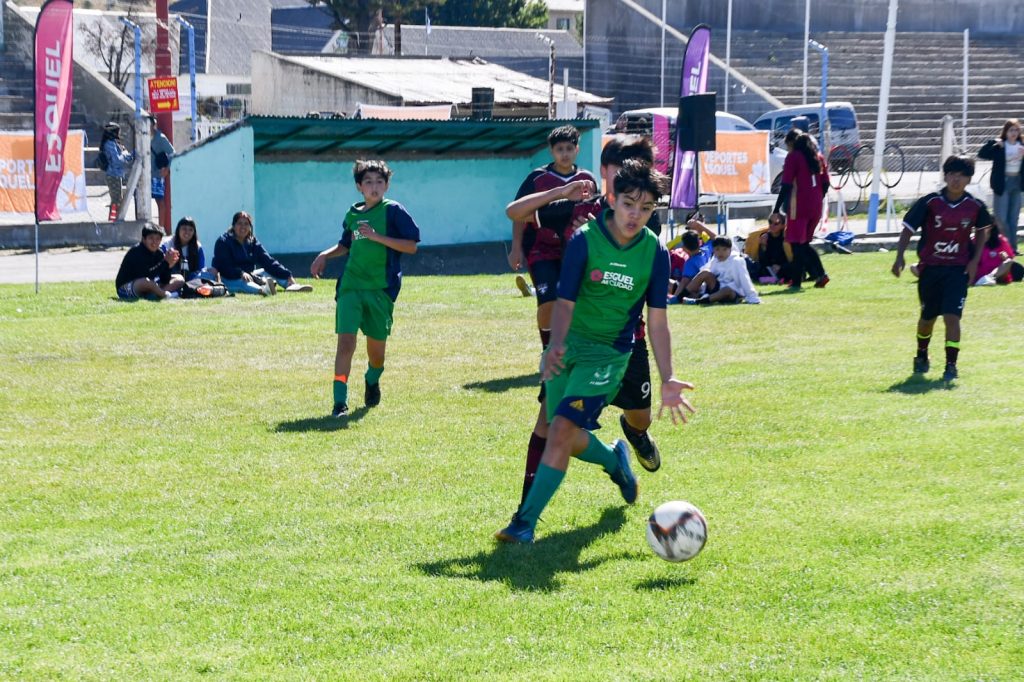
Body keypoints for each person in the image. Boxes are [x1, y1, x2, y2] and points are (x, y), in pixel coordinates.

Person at [495, 160, 696, 544]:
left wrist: (667, 376)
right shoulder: (585, 239)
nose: (636, 215)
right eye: (629, 204)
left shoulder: (654, 253)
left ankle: (524, 523)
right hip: (568, 348)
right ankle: (615, 462)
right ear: (612, 199)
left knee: (561, 431)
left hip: (608, 355)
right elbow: (565, 303)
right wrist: (553, 347)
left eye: (647, 208)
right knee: (563, 435)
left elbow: (656, 320)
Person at [506, 136, 665, 506]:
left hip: (625, 343)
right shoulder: (580, 201)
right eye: (624, 170)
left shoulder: (643, 218)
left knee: (639, 417)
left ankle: (634, 439)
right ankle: (526, 512)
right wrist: (561, 193)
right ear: (607, 173)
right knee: (551, 422)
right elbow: (515, 212)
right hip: (574, 341)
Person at [310, 159, 421, 418]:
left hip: (381, 290)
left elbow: (411, 246)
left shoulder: (393, 211)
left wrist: (377, 236)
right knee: (346, 344)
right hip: (351, 286)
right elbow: (346, 245)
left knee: (377, 355)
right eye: (368, 182)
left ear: (387, 185)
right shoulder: (353, 214)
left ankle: (372, 378)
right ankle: (340, 403)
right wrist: (325, 255)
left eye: (379, 182)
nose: (374, 187)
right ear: (359, 187)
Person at [891, 155, 992, 383]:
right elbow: (908, 228)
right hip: (931, 269)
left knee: (952, 317)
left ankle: (951, 365)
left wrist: (975, 261)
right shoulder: (930, 202)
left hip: (957, 270)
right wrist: (899, 257)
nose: (956, 180)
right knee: (927, 319)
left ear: (968, 179)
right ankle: (922, 354)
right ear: (945, 176)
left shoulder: (974, 206)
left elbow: (984, 230)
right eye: (952, 174)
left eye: (961, 175)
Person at [508, 125, 599, 334]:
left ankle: (569, 347)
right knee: (548, 299)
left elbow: (596, 212)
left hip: (574, 249)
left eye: (569, 148)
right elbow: (518, 214)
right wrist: (515, 248)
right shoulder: (537, 178)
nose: (564, 154)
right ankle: (548, 350)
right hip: (540, 248)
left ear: (577, 150)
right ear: (551, 151)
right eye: (560, 149)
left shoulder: (588, 180)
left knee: (572, 300)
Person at [771, 129, 829, 289]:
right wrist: (817, 198)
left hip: (799, 206)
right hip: (816, 206)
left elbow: (786, 185)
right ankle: (816, 276)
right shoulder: (818, 157)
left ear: (791, 143)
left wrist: (776, 208)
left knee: (797, 244)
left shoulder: (793, 157)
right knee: (804, 243)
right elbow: (826, 183)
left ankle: (803, 280)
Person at [211, 211, 313, 296]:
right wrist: (240, 273)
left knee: (268, 271)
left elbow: (268, 261)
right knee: (244, 282)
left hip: (250, 274)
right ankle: (263, 290)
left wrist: (287, 275)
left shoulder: (252, 242)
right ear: (233, 226)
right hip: (230, 278)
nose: (243, 227)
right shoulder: (223, 242)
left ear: (250, 227)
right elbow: (224, 265)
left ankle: (291, 286)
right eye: (239, 223)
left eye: (246, 224)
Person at [977, 119, 1023, 254]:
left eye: (1016, 130)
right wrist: (994, 144)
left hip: (1017, 182)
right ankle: (1005, 247)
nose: (1014, 133)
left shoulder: (1021, 145)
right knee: (1001, 218)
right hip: (1002, 183)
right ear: (1006, 132)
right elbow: (982, 154)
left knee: (1013, 217)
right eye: (1011, 130)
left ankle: (1013, 248)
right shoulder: (1000, 146)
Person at [682, 236, 761, 304]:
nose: (721, 252)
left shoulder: (737, 261)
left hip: (733, 292)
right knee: (704, 272)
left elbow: (745, 280)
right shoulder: (715, 260)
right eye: (717, 249)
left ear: (730, 250)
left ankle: (698, 302)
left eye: (724, 249)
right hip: (717, 288)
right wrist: (702, 290)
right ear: (713, 250)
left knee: (726, 290)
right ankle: (679, 297)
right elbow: (709, 275)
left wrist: (752, 297)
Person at [115, 223, 185, 300]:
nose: (154, 242)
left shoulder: (159, 253)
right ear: (144, 239)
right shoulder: (136, 251)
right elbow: (145, 275)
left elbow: (164, 280)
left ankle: (155, 294)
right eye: (151, 238)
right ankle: (165, 295)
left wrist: (169, 265)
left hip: (149, 284)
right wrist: (165, 262)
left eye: (158, 239)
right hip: (127, 288)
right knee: (146, 282)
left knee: (179, 279)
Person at [745, 214, 794, 283]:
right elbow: (763, 262)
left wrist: (781, 267)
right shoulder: (765, 237)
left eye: (776, 223)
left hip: (783, 269)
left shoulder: (787, 238)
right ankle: (773, 279)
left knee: (793, 268)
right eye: (770, 222)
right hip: (769, 269)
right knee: (746, 261)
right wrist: (763, 247)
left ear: (783, 225)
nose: (772, 225)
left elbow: (794, 260)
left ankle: (775, 279)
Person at [100, 122, 133, 220]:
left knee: (117, 199)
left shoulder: (114, 143)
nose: (119, 134)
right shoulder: (109, 144)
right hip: (113, 174)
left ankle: (114, 218)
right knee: (116, 200)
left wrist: (127, 155)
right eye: (117, 132)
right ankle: (115, 219)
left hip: (117, 174)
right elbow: (117, 160)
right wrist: (126, 154)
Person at [974, 218, 1022, 285]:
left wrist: (1005, 257)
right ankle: (984, 280)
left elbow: (1010, 259)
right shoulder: (974, 240)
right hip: (979, 273)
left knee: (1008, 262)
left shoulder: (1001, 240)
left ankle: (989, 278)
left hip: (999, 274)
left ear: (991, 226)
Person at [149, 115, 175, 230]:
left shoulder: (160, 138)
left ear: (153, 125)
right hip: (146, 174)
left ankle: (161, 228)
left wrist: (167, 168)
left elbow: (172, 152)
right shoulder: (142, 137)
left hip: (157, 175)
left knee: (160, 201)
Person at [162, 216, 208, 281]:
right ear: (178, 230)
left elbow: (201, 268)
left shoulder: (197, 247)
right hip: (172, 278)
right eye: (184, 229)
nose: (187, 232)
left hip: (192, 281)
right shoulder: (167, 244)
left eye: (190, 230)